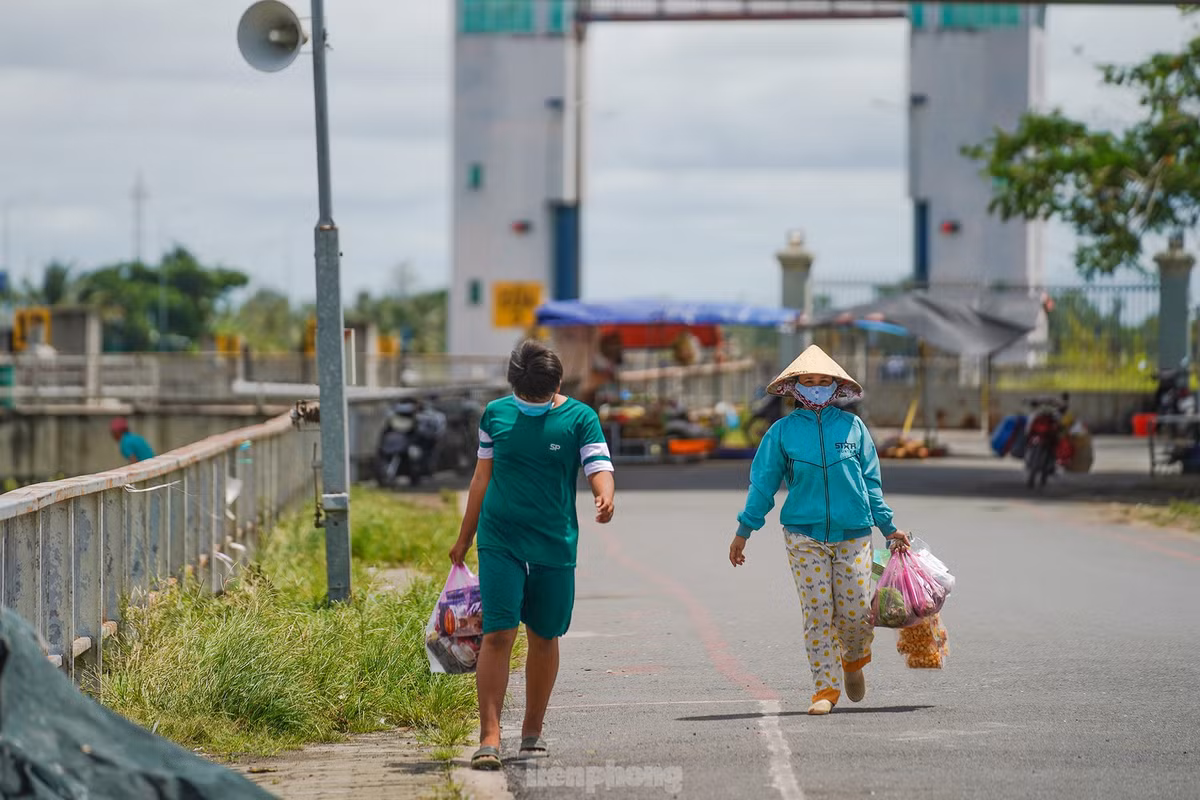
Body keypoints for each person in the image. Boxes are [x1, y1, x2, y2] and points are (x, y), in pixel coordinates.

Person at [449, 339, 616, 770]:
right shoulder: (495, 415)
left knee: (544, 635)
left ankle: (532, 731)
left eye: (540, 396)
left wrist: (605, 495)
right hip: (499, 539)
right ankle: (489, 737)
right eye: (526, 396)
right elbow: (481, 478)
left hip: (554, 541)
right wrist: (465, 537)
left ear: (557, 385)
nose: (532, 403)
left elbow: (598, 465)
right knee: (498, 634)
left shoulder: (581, 418)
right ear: (514, 387)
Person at [729, 345, 909, 716]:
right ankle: (825, 688)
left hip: (854, 533)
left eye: (821, 381)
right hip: (803, 535)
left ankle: (853, 660)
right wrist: (744, 530)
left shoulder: (854, 428)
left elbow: (871, 484)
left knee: (856, 612)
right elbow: (763, 484)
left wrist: (889, 528)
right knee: (818, 611)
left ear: (835, 386)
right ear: (794, 387)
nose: (814, 387)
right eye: (807, 381)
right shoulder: (781, 433)